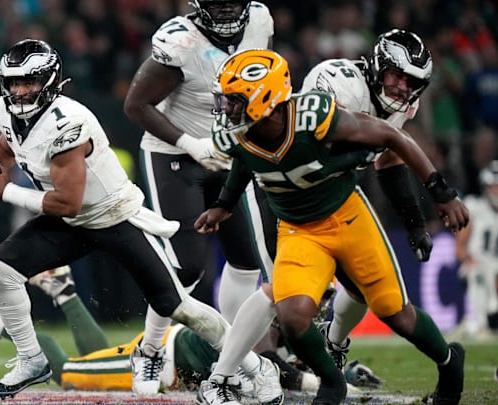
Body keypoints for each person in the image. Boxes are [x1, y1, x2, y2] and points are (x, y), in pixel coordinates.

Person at [0, 38, 282, 402]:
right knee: (1, 270)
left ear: (50, 82)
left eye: (29, 82)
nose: (20, 92)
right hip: (70, 221)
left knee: (178, 307)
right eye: (14, 83)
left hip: (111, 216)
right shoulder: (6, 111)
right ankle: (32, 359)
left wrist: (2, 190)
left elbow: (68, 202)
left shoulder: (68, 124)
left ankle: (258, 367)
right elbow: (8, 146)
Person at [195, 48, 468, 405]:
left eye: (233, 101)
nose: (225, 109)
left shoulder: (313, 116)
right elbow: (246, 162)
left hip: (348, 218)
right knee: (292, 317)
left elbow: (393, 138)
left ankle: (449, 362)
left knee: (395, 313)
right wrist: (223, 205)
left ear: (264, 99)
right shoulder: (238, 135)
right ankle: (331, 380)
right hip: (297, 229)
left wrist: (440, 191)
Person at [123, 1, 279, 393]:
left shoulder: (259, 20)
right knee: (188, 265)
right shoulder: (181, 40)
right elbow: (135, 104)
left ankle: (229, 355)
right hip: (174, 154)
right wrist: (192, 144)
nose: (227, 11)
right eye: (217, 2)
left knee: (246, 260)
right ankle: (150, 349)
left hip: (231, 153)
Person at [0, 267, 382, 396]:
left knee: (93, 364)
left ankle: (63, 291)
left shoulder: (294, 320)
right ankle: (0, 323)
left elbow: (301, 363)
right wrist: (335, 384)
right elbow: (275, 368)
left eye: (324, 297)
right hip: (168, 362)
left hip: (175, 364)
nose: (318, 305)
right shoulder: (268, 317)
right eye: (317, 295)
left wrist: (346, 373)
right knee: (66, 374)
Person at [301, 28, 437, 369]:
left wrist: (415, 222)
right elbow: (317, 150)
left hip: (338, 195)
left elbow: (388, 161)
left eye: (411, 82)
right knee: (289, 293)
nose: (402, 88)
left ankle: (333, 344)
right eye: (397, 75)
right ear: (378, 65)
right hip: (289, 192)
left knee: (362, 288)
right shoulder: (336, 80)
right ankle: (251, 364)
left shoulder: (405, 105)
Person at [455, 160, 498, 339]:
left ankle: (478, 324)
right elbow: (459, 248)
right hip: (478, 266)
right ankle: (480, 325)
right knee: (478, 271)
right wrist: (469, 260)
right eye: (494, 186)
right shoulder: (475, 207)